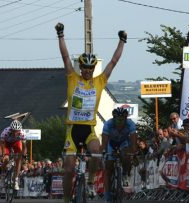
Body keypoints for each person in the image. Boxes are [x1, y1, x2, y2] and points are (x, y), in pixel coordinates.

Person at [55, 22, 127, 203]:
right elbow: (64, 56)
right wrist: (60, 34)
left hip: (89, 129)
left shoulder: (99, 81)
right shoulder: (72, 78)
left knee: (96, 153)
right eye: (84, 68)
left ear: (94, 69)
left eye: (90, 68)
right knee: (70, 169)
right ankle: (65, 198)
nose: (87, 71)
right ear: (80, 68)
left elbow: (113, 61)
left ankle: (89, 182)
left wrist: (122, 41)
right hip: (72, 130)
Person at [101, 107, 137, 203]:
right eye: (118, 120)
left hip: (123, 143)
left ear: (126, 119)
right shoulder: (108, 124)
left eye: (123, 120)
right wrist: (103, 151)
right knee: (108, 168)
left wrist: (133, 151)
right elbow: (104, 141)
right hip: (111, 143)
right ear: (114, 119)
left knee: (126, 156)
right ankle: (107, 195)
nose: (120, 123)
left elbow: (133, 142)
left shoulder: (131, 124)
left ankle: (125, 175)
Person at [0, 119, 27, 190]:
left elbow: (25, 148)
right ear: (11, 129)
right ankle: (3, 177)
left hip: (16, 143)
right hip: (6, 144)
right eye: (14, 131)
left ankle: (15, 180)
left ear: (20, 130)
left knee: (19, 159)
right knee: (6, 159)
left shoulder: (22, 134)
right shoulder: (6, 132)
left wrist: (24, 156)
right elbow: (0, 145)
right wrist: (1, 156)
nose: (16, 133)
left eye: (17, 131)